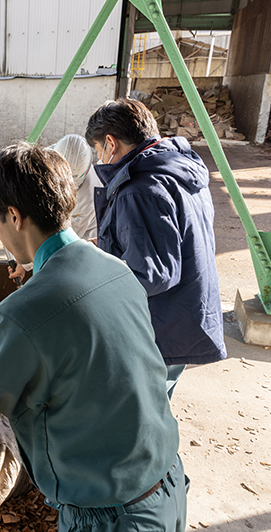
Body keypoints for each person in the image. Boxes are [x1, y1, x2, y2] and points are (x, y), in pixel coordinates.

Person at [0, 142, 186, 532]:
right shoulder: (114, 268)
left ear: (14, 216)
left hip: (113, 516)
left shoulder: (23, 315)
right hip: (166, 484)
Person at [85, 98, 227, 398]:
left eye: (98, 150)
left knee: (141, 410)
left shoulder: (139, 190)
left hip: (159, 327)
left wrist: (91, 275)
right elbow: (169, 241)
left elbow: (152, 274)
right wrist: (109, 244)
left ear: (110, 143)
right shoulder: (178, 170)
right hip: (186, 314)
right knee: (158, 403)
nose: (99, 158)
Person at [8, 134, 102, 280]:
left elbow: (63, 238)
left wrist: (27, 263)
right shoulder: (43, 162)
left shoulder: (89, 193)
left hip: (84, 235)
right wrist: (23, 261)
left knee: (71, 268)